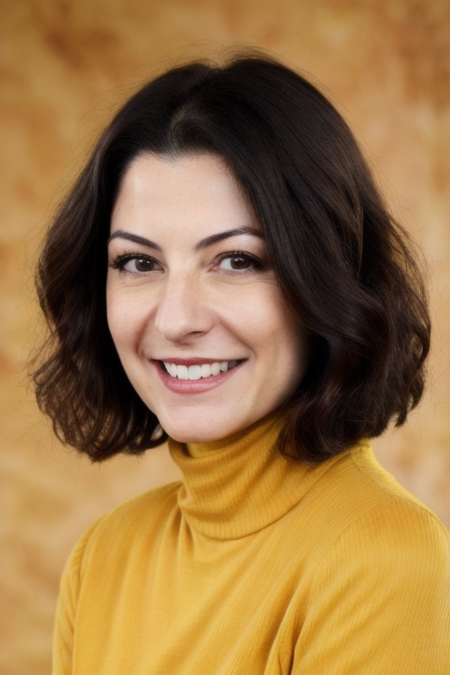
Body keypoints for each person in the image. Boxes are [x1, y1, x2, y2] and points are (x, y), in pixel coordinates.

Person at [33, 52, 450, 675]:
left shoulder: (383, 558)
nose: (176, 320)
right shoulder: (103, 558)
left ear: (328, 278)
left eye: (236, 261)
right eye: (139, 263)